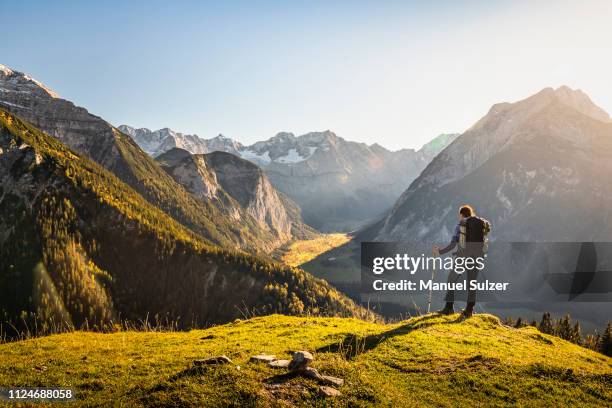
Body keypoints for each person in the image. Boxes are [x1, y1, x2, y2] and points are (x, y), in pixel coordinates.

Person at [433, 205, 490, 318]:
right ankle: (469, 310)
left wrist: (440, 252)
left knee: (451, 279)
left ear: (462, 214)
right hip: (477, 257)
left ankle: (449, 308)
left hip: (463, 257)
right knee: (472, 283)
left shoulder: (461, 225)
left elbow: (453, 245)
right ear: (471, 213)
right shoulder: (481, 224)